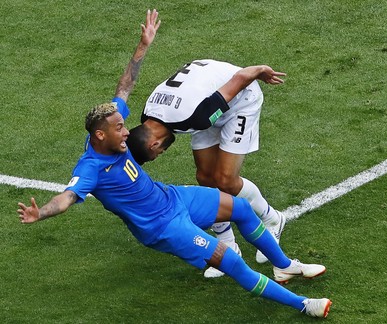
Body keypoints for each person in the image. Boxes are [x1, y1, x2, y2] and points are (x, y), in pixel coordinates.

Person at [16, 9, 332, 318]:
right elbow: (66, 198)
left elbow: (124, 87)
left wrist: (143, 45)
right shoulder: (90, 168)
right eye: (119, 128)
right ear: (100, 136)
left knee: (242, 209)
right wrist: (39, 212)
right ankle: (304, 304)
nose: (127, 130)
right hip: (164, 227)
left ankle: (285, 265)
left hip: (172, 197)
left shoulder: (111, 132)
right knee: (233, 265)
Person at [125, 58, 288, 277]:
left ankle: (273, 219)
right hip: (205, 102)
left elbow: (239, 78)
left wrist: (260, 70)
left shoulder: (194, 117)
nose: (161, 153)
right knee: (205, 177)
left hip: (240, 100)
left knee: (226, 180)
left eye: (157, 153)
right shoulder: (149, 115)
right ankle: (229, 245)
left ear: (153, 143)